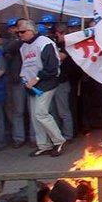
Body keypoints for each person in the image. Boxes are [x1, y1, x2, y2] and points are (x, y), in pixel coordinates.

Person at [18, 20, 65, 157]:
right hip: (32, 85)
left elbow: (52, 66)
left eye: (22, 32)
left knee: (41, 113)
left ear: (32, 31)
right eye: (18, 32)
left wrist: (36, 79)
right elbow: (26, 65)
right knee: (35, 116)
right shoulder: (23, 47)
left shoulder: (45, 42)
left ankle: (59, 141)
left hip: (46, 83)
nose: (20, 35)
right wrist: (24, 78)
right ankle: (44, 145)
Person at [3, 17, 31, 148]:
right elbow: (8, 51)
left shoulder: (34, 41)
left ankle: (35, 138)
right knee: (18, 111)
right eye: (15, 28)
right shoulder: (11, 42)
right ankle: (19, 138)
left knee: (33, 111)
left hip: (31, 79)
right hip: (18, 79)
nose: (17, 30)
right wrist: (21, 39)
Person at [53, 25, 76, 141]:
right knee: (54, 112)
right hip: (53, 82)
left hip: (63, 81)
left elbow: (60, 57)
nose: (57, 36)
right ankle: (58, 135)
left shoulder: (67, 45)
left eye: (59, 33)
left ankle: (68, 135)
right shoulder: (56, 45)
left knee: (64, 111)